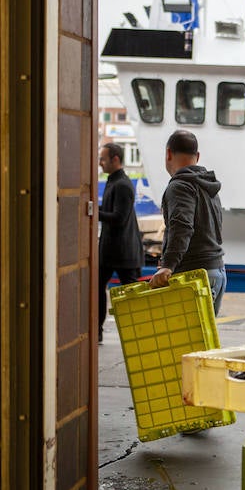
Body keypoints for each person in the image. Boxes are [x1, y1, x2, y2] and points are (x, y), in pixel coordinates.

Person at [148, 130, 226, 315]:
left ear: (168, 153)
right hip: (216, 271)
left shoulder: (180, 186)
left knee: (185, 342)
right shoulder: (208, 185)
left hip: (194, 275)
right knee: (202, 342)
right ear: (197, 157)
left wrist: (168, 265)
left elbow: (181, 226)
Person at [97, 143, 144, 343]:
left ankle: (139, 333)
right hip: (112, 251)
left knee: (132, 297)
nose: (100, 163)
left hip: (124, 252)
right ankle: (97, 329)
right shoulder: (113, 182)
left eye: (103, 159)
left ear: (115, 159)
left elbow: (119, 217)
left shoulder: (123, 185)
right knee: (98, 288)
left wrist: (92, 213)